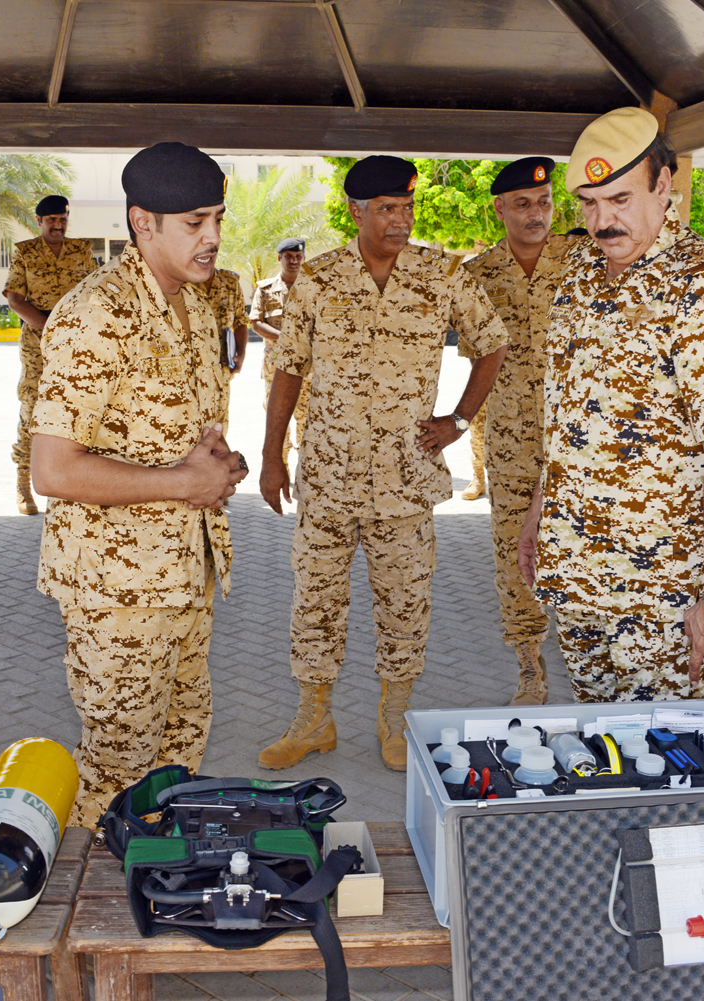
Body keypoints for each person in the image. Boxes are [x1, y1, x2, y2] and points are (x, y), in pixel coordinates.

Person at [258, 155, 508, 772]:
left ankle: (394, 720)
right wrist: (270, 456)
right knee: (313, 601)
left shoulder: (441, 274)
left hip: (406, 475)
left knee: (405, 603)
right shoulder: (317, 279)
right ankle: (314, 720)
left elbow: (493, 343)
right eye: (389, 210)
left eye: (408, 209)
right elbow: (288, 368)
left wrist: (458, 420)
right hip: (327, 476)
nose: (402, 221)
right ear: (356, 211)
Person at [29, 142, 246, 828]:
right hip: (118, 596)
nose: (212, 237)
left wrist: (214, 463)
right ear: (142, 223)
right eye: (194, 223)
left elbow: (180, 433)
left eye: (216, 218)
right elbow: (53, 469)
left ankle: (165, 887)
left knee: (177, 764)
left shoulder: (197, 306)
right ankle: (99, 910)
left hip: (186, 573)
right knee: (118, 775)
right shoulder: (98, 314)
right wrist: (186, 479)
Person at [517, 108, 704, 705]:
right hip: (575, 569)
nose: (603, 222)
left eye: (620, 200)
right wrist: (538, 516)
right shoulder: (579, 277)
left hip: (658, 592)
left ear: (664, 184)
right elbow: (567, 422)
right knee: (597, 752)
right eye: (590, 205)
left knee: (663, 757)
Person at [462, 157, 578, 705]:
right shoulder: (478, 276)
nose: (538, 214)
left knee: (585, 544)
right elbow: (476, 359)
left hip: (583, 441)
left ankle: (591, 656)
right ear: (500, 208)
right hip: (511, 442)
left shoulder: (585, 262)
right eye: (524, 204)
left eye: (545, 202)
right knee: (514, 554)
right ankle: (530, 665)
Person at [3, 195, 96, 515]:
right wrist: (50, 325)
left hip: (76, 344)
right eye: (52, 220)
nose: (58, 225)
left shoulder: (81, 250)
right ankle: (22, 484)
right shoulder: (25, 253)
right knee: (32, 410)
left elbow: (95, 290)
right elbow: (15, 299)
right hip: (37, 344)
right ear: (40, 221)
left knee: (81, 408)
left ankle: (79, 483)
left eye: (63, 219)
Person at [249, 237, 310, 466]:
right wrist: (287, 339)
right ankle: (279, 467)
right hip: (276, 366)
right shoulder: (265, 289)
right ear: (279, 258)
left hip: (308, 367)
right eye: (288, 257)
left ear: (303, 258)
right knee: (277, 419)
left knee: (308, 419)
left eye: (298, 257)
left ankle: (305, 472)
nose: (293, 261)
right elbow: (256, 322)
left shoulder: (313, 288)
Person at [196, 266, 249, 380]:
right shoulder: (180, 283)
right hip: (191, 373)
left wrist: (241, 355)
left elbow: (240, 321)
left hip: (222, 371)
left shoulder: (230, 283)